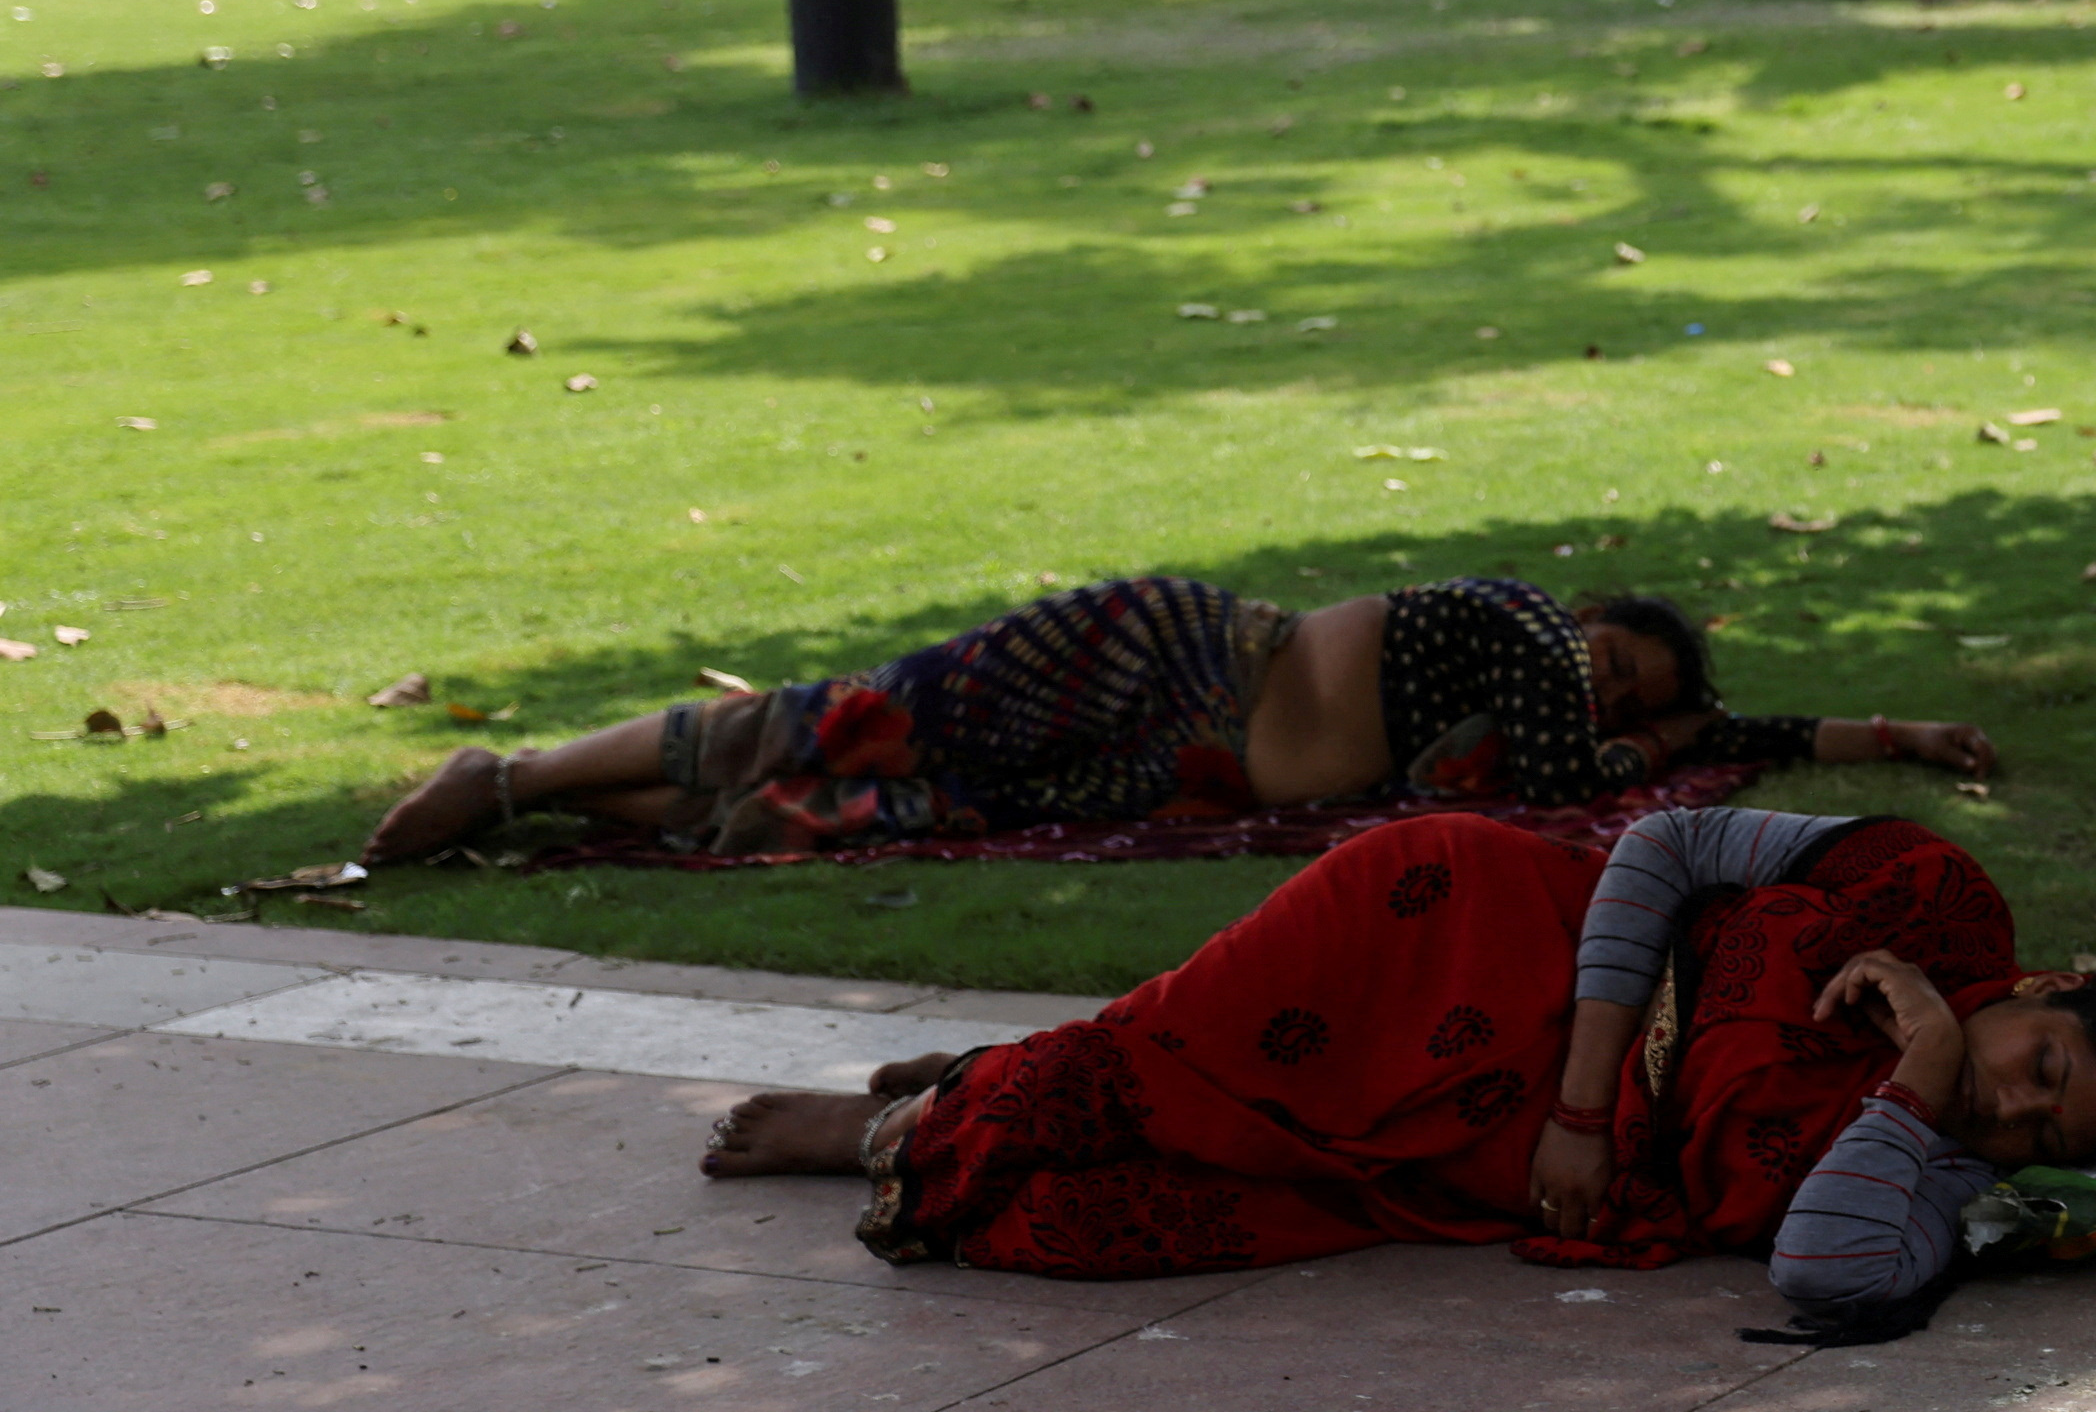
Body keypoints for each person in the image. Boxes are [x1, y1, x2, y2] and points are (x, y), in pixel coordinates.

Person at [695, 802, 2096, 1303]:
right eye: (2044, 1064)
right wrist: (1578, 1099)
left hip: (1495, 1161)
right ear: (2053, 984)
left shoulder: (1923, 1161)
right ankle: (914, 1120)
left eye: (2040, 1132)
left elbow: (1808, 1265)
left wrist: (1932, 1059)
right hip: (1482, 935)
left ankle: (991, 1077)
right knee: (1151, 1061)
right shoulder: (1932, 894)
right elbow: (1670, 845)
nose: (2014, 1109)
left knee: (1127, 1211)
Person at [358, 571, 1995, 863]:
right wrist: (1643, 739)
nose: (1604, 693)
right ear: (1577, 621)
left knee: (875, 810)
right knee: (853, 725)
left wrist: (1900, 739)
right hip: (1171, 657)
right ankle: (507, 767)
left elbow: (1726, 734)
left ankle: (538, 808)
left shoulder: (1558, 710)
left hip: (1180, 766)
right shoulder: (1509, 625)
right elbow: (1600, 760)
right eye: (1612, 659)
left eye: (1631, 693)